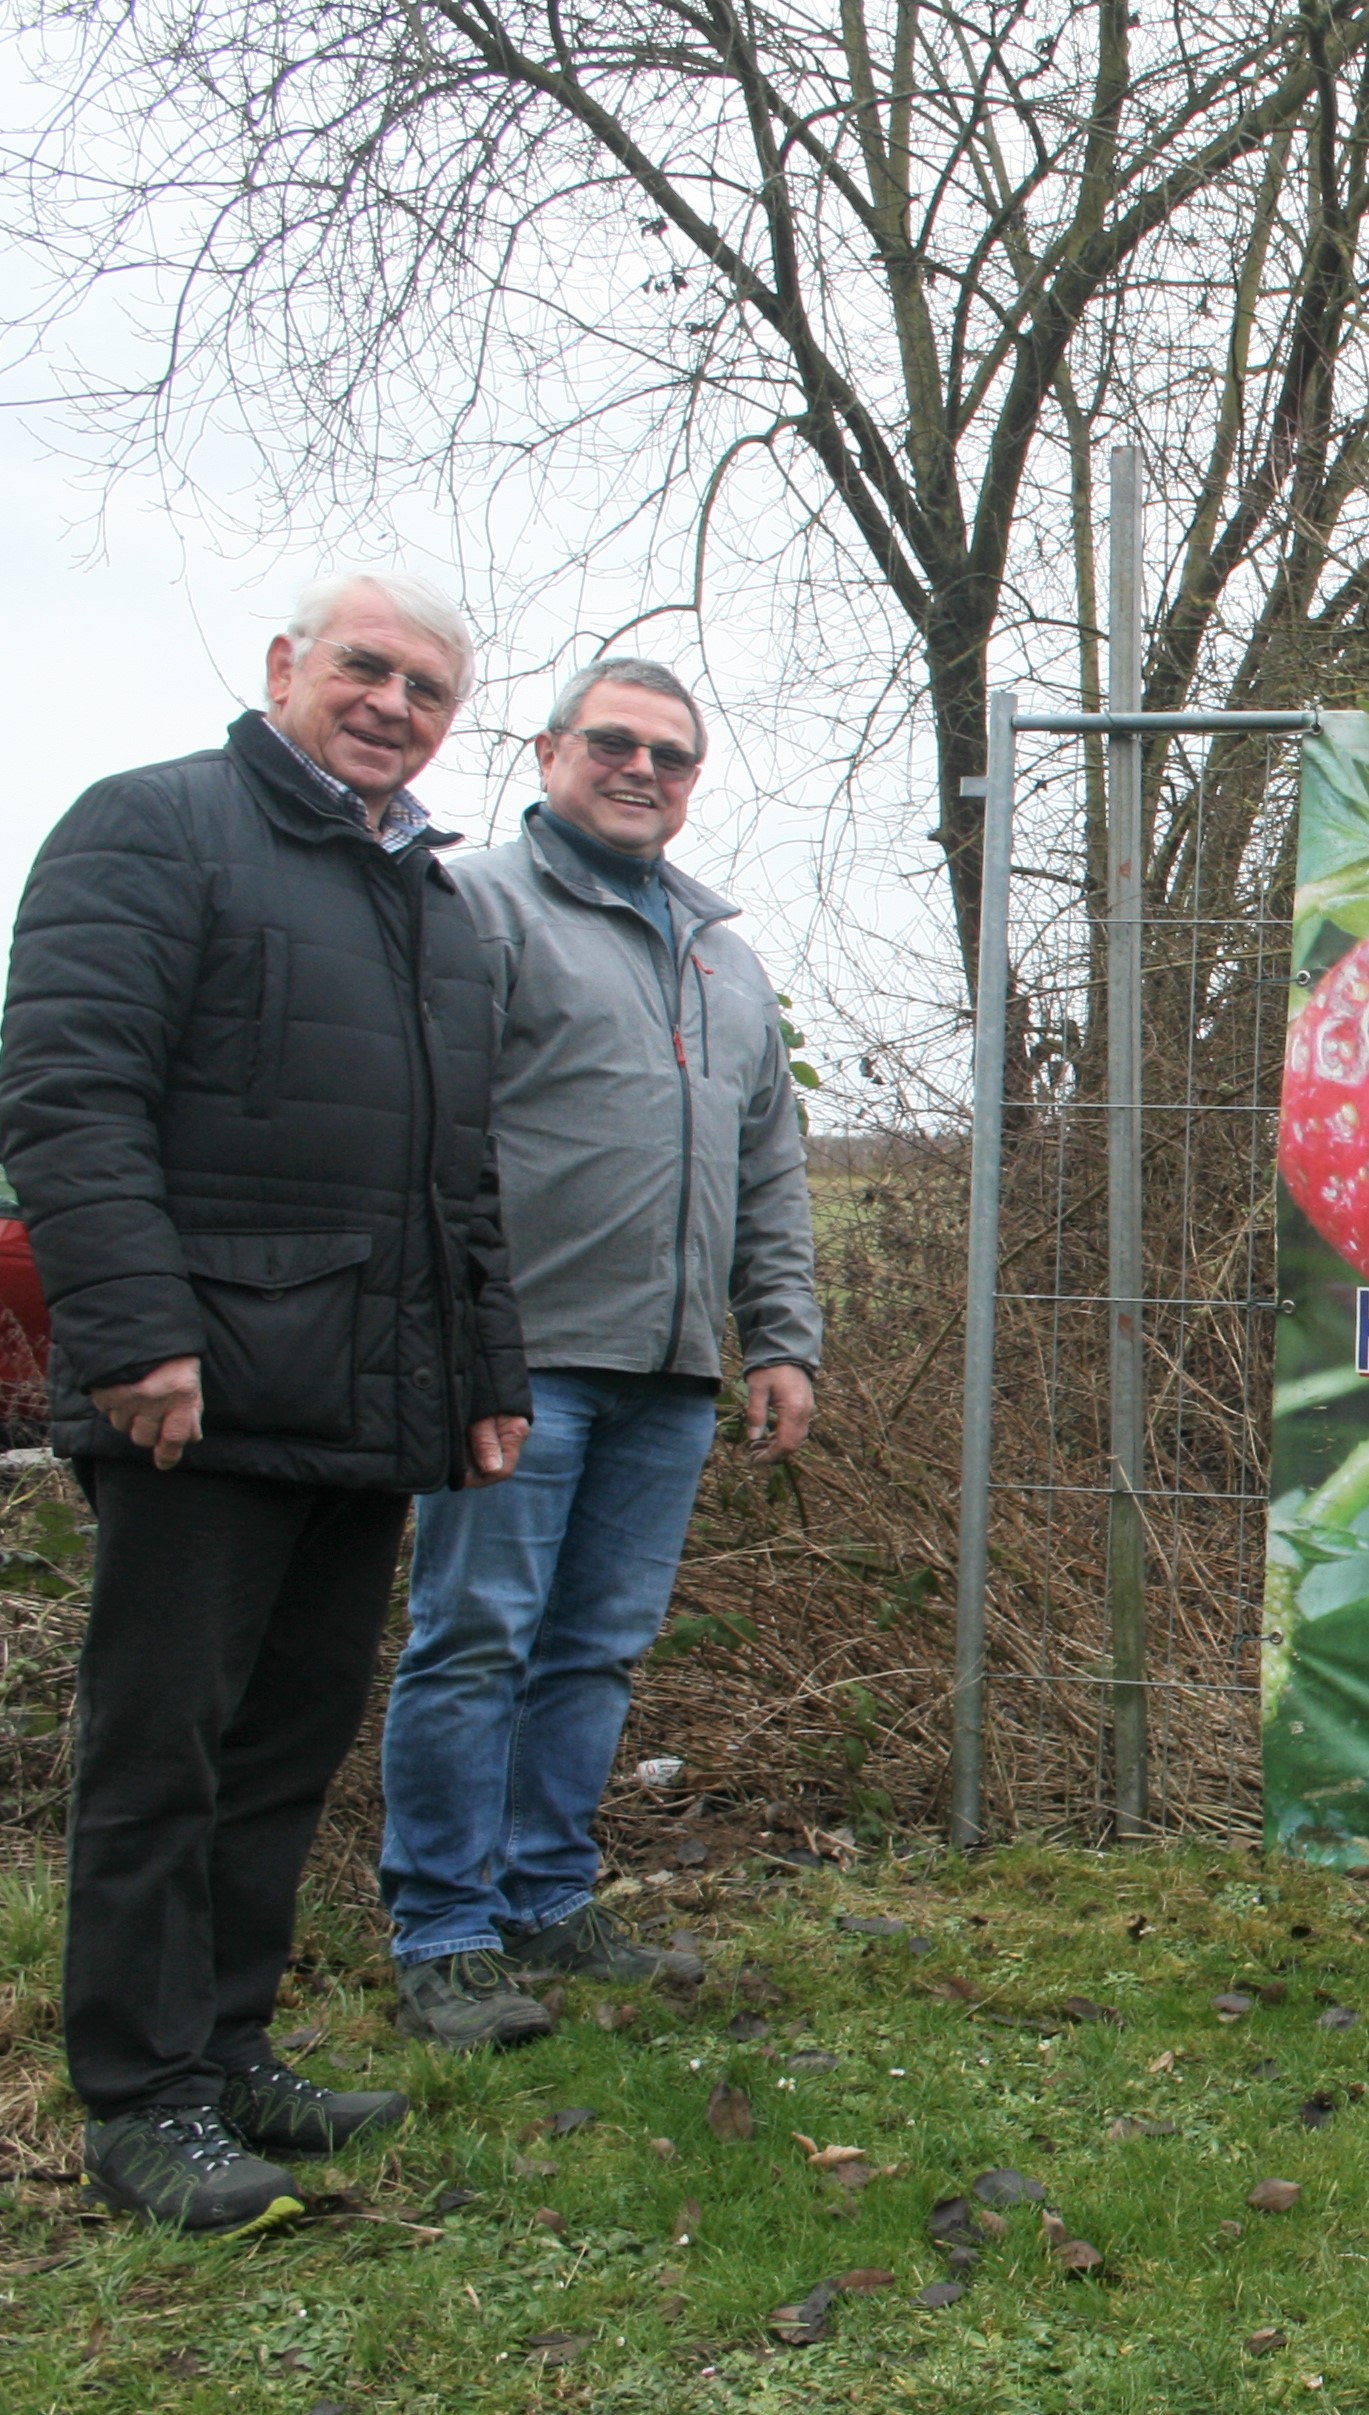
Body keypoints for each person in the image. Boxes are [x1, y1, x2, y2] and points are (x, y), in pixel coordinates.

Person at [0, 571, 532, 2233]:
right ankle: (142, 2098)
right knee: (162, 1754)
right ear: (288, 667)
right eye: (365, 669)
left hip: (366, 1403)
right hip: (200, 1392)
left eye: (428, 690)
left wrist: (488, 1375)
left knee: (287, 1747)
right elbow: (68, 1097)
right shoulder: (152, 829)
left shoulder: (433, 905)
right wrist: (133, 1335)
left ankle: (230, 2048)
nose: (392, 704)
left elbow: (458, 1178)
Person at [375, 658, 820, 2049]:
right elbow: (420, 1139)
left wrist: (781, 1337)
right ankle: (444, 1926)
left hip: (671, 1371)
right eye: (614, 744)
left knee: (597, 1649)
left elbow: (770, 1164)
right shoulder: (474, 907)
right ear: (552, 750)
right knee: (473, 1639)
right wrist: (456, 1328)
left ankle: (549, 1897)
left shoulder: (723, 954)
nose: (643, 770)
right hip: (516, 1362)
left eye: (672, 757)